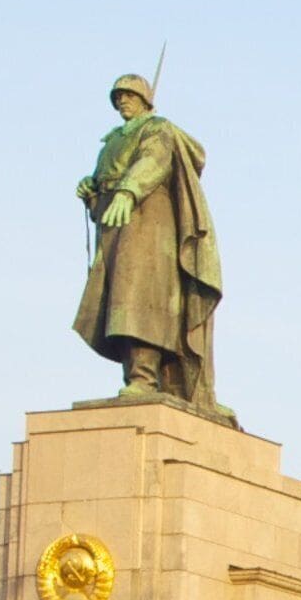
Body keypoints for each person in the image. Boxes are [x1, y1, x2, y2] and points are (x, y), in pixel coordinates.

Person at [73, 73, 226, 417]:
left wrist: (128, 190)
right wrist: (92, 188)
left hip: (148, 223)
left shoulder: (157, 129)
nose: (122, 102)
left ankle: (144, 377)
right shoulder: (113, 140)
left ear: (144, 99)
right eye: (118, 97)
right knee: (120, 301)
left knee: (140, 299)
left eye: (128, 95)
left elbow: (153, 161)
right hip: (117, 226)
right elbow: (106, 177)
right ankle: (137, 376)